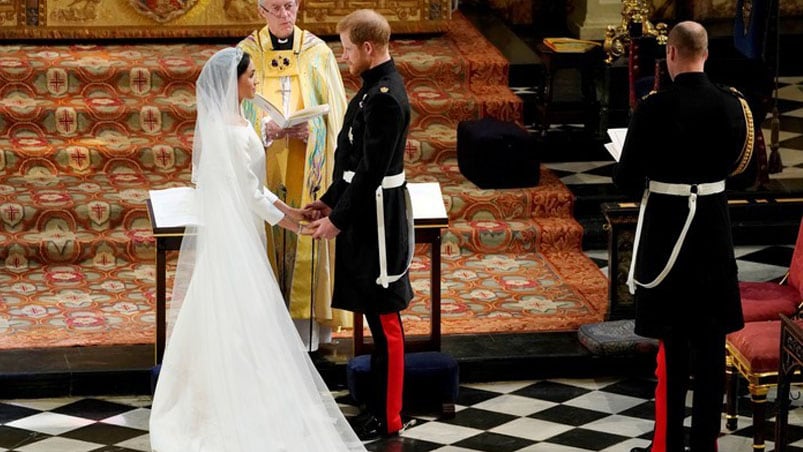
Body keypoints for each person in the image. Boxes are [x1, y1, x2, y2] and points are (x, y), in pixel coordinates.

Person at [149, 47, 364, 452]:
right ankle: (234, 403)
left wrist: (291, 210)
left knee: (233, 316)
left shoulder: (232, 122)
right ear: (233, 81)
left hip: (241, 231)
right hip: (239, 237)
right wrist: (290, 223)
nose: (255, 81)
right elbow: (248, 193)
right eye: (250, 76)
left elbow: (253, 185)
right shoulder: (229, 130)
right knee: (240, 318)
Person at [613, 22, 755, 452]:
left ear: (671, 53)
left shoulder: (653, 108)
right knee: (712, 352)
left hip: (667, 241)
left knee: (673, 352)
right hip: (713, 238)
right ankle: (705, 444)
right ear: (706, 53)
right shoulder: (734, 106)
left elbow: (625, 181)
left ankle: (670, 444)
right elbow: (745, 176)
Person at [305, 9, 414, 442]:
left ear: (368, 48)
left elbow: (372, 171)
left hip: (378, 223)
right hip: (362, 212)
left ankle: (390, 417)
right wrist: (329, 200)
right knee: (373, 313)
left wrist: (338, 220)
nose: (344, 55)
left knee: (385, 320)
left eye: (348, 48)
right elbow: (349, 162)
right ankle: (377, 408)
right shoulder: (372, 89)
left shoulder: (386, 96)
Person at [238, 0, 349, 350]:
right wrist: (266, 130)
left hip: (309, 165)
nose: (285, 15)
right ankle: (264, 335)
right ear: (261, 11)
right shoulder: (245, 54)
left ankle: (307, 336)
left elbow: (338, 119)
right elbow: (231, 111)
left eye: (290, 6)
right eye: (276, 8)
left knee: (307, 234)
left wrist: (313, 130)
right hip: (265, 162)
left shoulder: (317, 53)